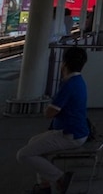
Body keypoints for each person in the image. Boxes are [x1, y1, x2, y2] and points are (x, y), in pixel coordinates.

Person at [16, 45, 89, 193]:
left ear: (64, 64)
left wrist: (48, 108)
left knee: (23, 154)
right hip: (77, 131)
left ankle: (60, 177)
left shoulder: (69, 85)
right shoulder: (78, 81)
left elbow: (49, 113)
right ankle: (44, 185)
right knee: (33, 142)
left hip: (70, 135)